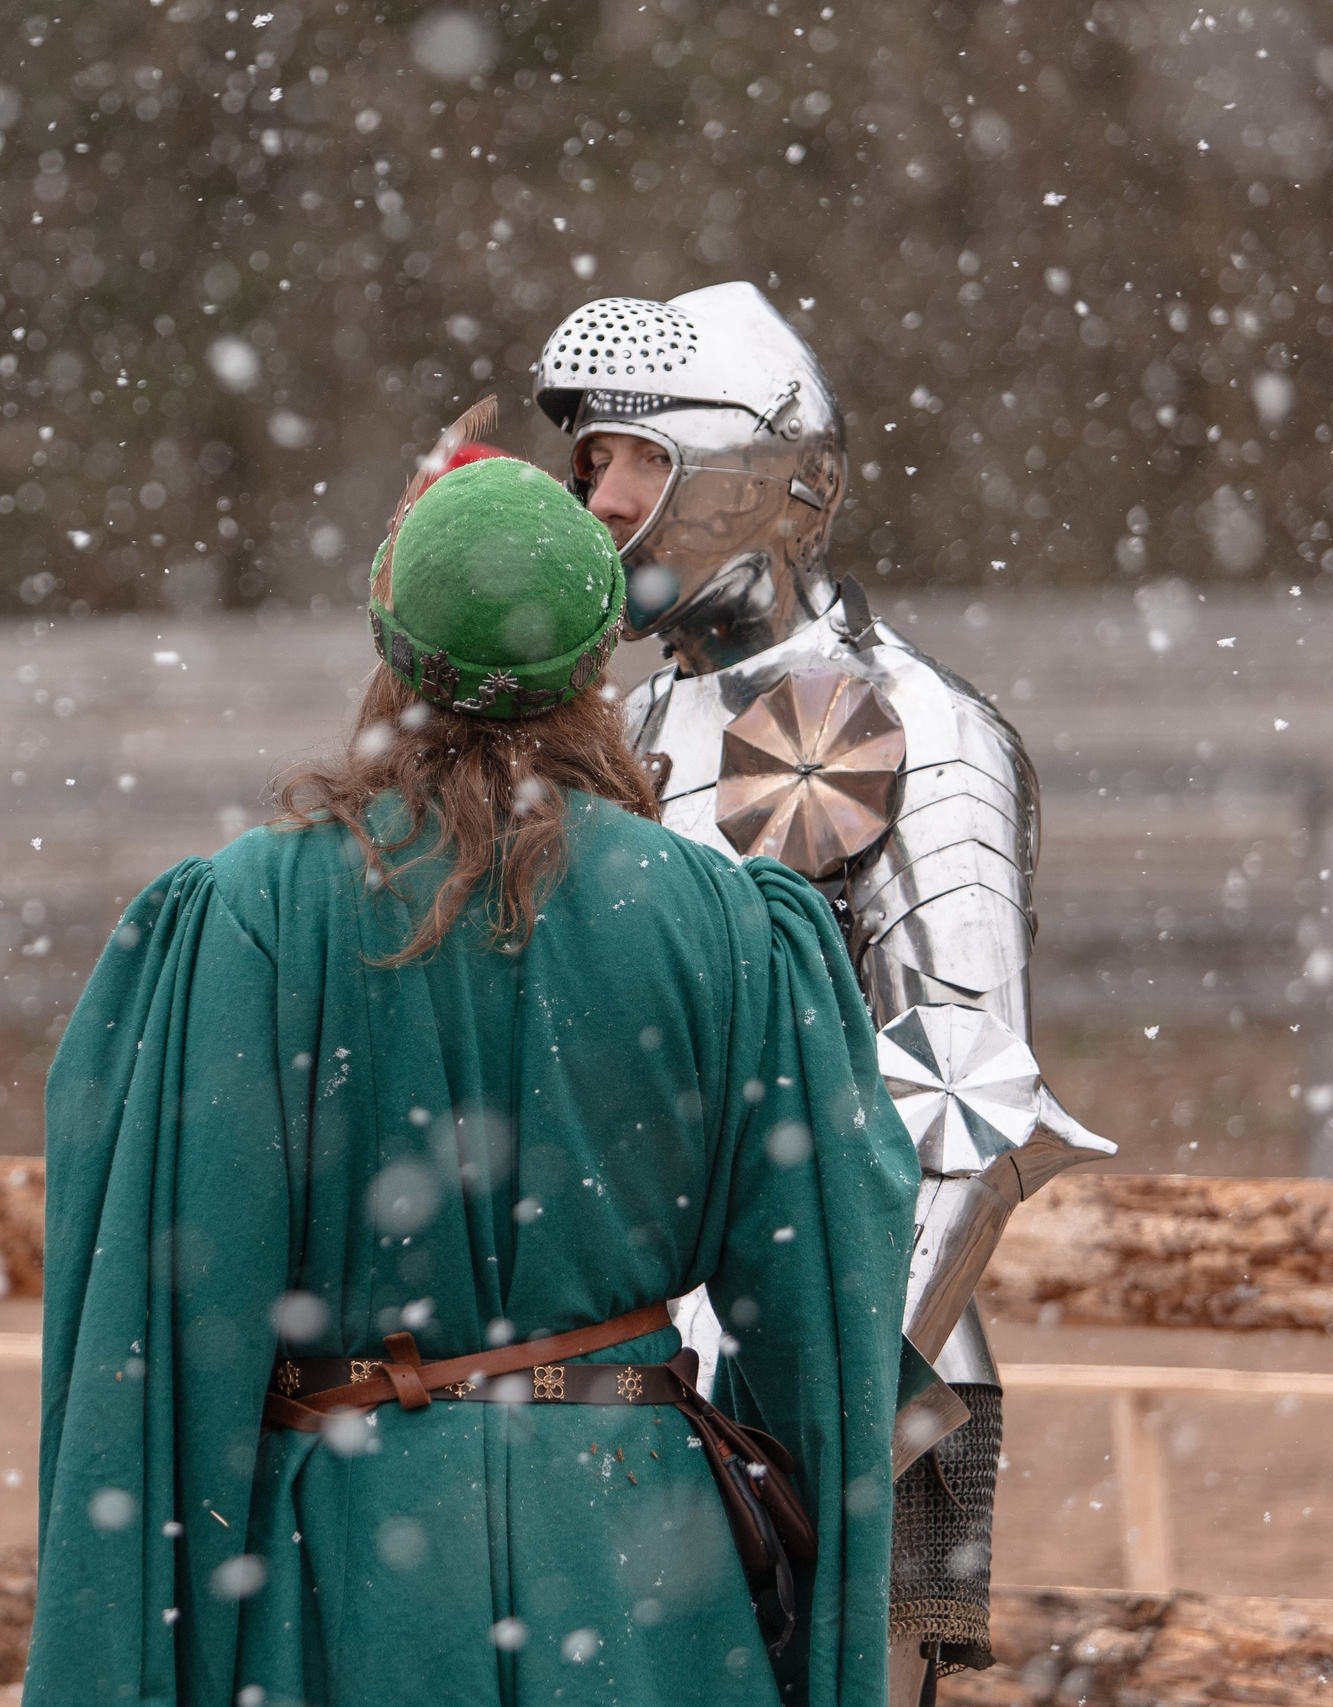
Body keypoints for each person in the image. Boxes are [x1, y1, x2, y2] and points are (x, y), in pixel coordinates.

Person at [29, 450, 917, 1705]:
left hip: (347, 1582)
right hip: (643, 1588)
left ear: (391, 652)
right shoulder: (728, 927)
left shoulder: (246, 920)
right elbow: (823, 1302)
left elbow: (164, 1337)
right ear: (597, 659)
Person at [533, 281, 1117, 1702]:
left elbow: (965, 1098)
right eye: (586, 460)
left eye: (633, 458)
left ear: (753, 475)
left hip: (862, 1380)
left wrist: (798, 1377)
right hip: (621, 1380)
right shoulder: (600, 719)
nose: (595, 500)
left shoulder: (923, 727)